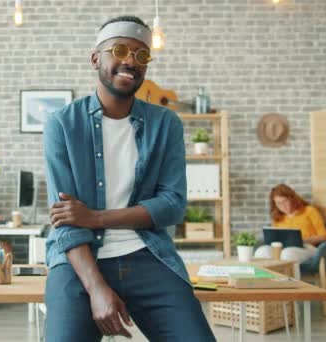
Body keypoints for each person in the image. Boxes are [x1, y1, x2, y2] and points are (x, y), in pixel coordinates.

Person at [43, 16, 215, 341]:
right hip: (79, 262)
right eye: (119, 49)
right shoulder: (62, 124)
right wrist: (96, 289)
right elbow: (66, 222)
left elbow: (172, 205)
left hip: (148, 256)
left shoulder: (166, 124)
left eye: (141, 55)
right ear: (96, 58)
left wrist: (95, 217)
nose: (130, 61)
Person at [255, 184, 326, 263]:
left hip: (307, 247)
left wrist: (302, 241)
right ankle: (269, 275)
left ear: (292, 199)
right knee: (261, 251)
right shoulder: (278, 217)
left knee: (288, 254)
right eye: (278, 203)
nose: (282, 206)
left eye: (285, 201)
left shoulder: (309, 211)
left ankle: (288, 275)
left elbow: (324, 236)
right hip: (283, 248)